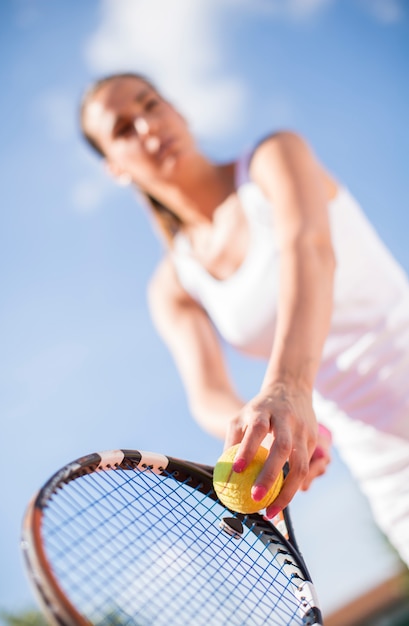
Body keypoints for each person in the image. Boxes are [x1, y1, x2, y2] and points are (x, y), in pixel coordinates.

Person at [80, 72, 409, 567]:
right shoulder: (174, 286)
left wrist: (287, 388)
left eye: (151, 105)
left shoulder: (273, 159)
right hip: (388, 471)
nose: (148, 127)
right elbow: (208, 395)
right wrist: (261, 431)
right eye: (124, 129)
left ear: (178, 110)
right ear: (114, 167)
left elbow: (312, 252)